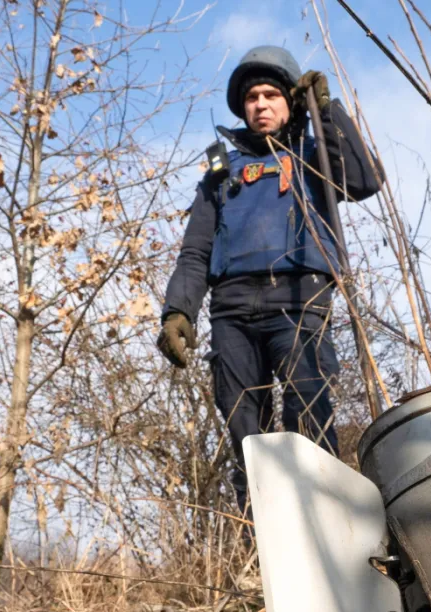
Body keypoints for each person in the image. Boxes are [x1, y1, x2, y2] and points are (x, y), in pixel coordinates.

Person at [157, 46, 383, 513]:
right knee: (246, 434)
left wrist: (325, 112)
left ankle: (327, 527)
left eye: (270, 95)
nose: (260, 104)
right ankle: (259, 537)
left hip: (300, 302)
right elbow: (195, 250)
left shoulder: (315, 154)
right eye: (251, 97)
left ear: (290, 101)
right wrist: (178, 310)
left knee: (310, 416)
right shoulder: (221, 173)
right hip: (232, 312)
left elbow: (364, 180)